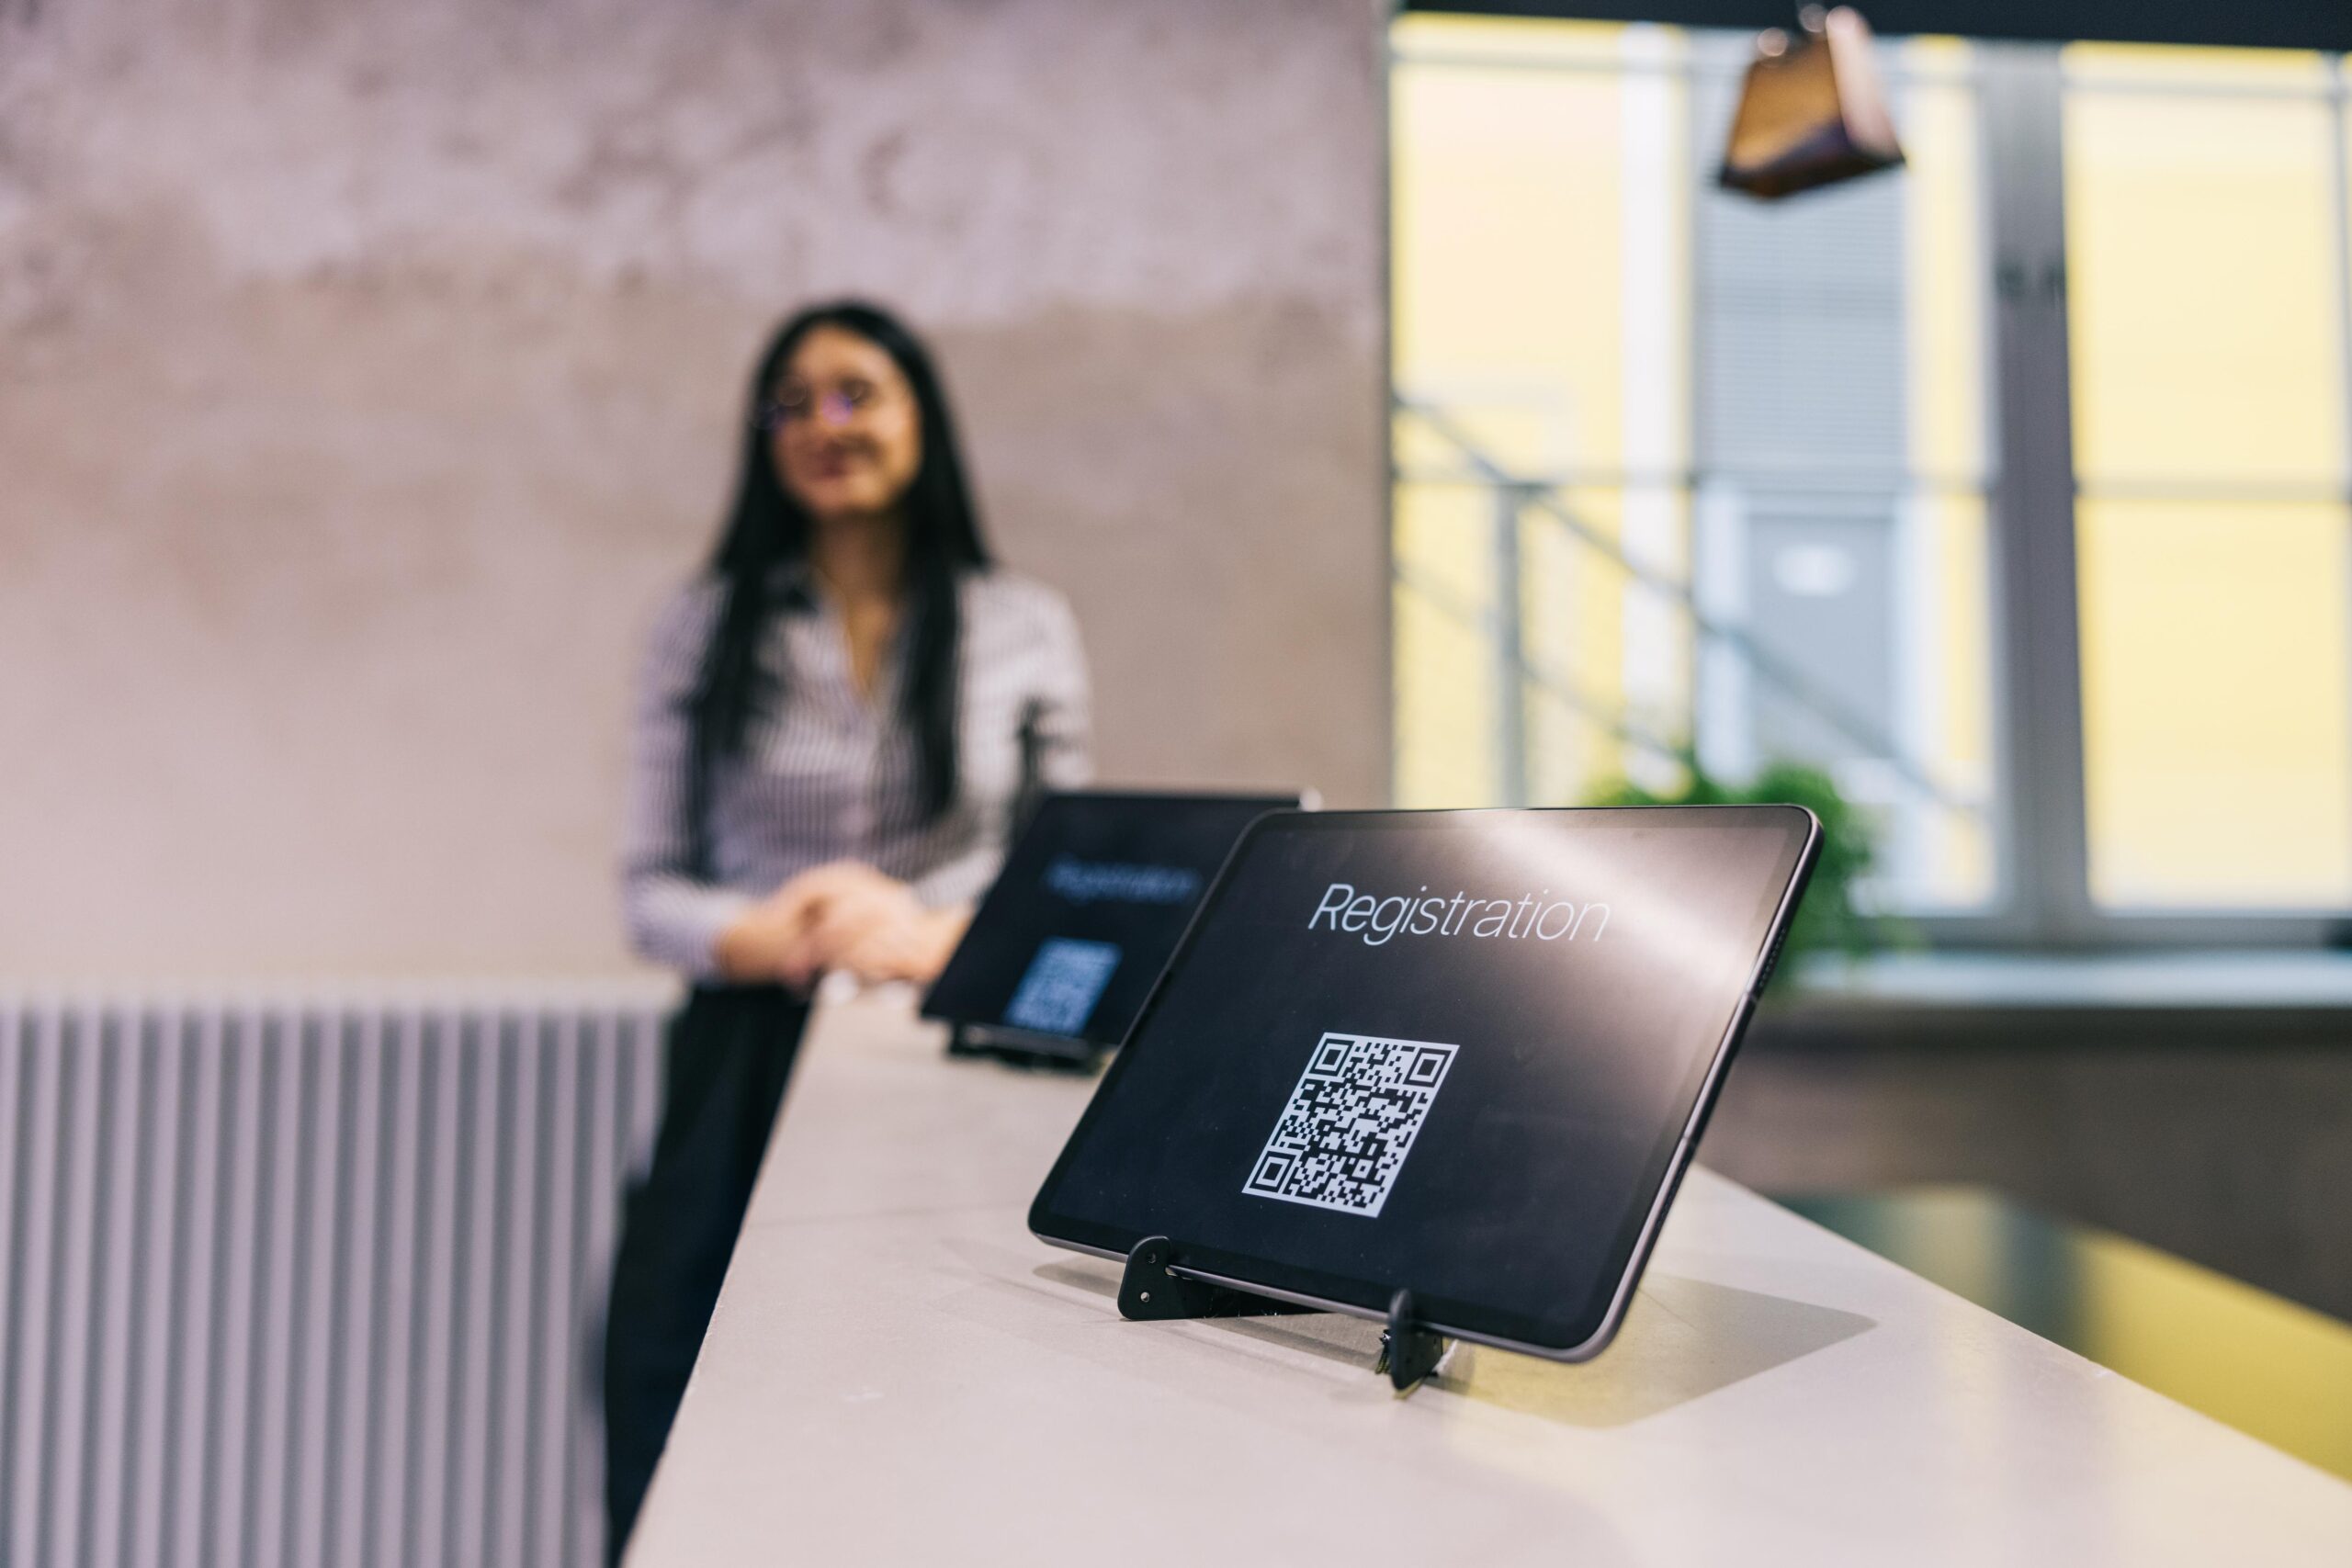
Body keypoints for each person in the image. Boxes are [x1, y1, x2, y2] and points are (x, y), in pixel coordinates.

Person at [601, 300, 1091, 1558]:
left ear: (920, 414)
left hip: (955, 1044)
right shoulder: (703, 625)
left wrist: (925, 932)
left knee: (943, 1377)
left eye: (855, 392)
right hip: (745, 1049)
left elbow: (1070, 889)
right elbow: (649, 888)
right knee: (682, 1366)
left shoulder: (1021, 624)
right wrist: (789, 930)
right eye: (790, 402)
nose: (825, 425)